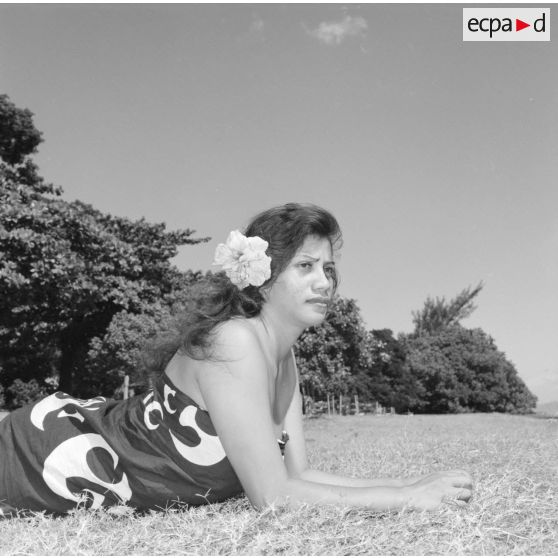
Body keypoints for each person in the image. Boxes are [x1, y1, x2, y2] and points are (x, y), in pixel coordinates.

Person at [0, 203, 472, 517]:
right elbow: (273, 499)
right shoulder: (235, 342)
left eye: (328, 268)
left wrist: (407, 481)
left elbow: (297, 475)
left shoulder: (284, 361)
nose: (325, 282)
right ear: (262, 278)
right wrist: (407, 499)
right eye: (305, 267)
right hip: (43, 454)